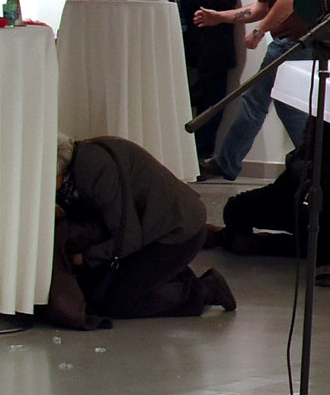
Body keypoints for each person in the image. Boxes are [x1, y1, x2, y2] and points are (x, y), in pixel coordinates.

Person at [52, 136, 236, 320]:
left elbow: (128, 239)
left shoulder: (95, 172)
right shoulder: (82, 161)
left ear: (58, 173)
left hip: (177, 234)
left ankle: (205, 290)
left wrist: (86, 258)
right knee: (100, 290)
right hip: (158, 228)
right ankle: (172, 277)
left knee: (117, 303)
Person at [193, 0, 298, 182]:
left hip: (291, 43)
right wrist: (220, 17)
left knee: (259, 101)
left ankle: (226, 163)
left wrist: (259, 32)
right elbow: (262, 6)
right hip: (294, 43)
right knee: (281, 105)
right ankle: (312, 161)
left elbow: (288, 0)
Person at [165, 0, 242, 160]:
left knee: (210, 103)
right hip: (179, 42)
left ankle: (200, 158)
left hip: (211, 45)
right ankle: (179, 156)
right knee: (178, 100)